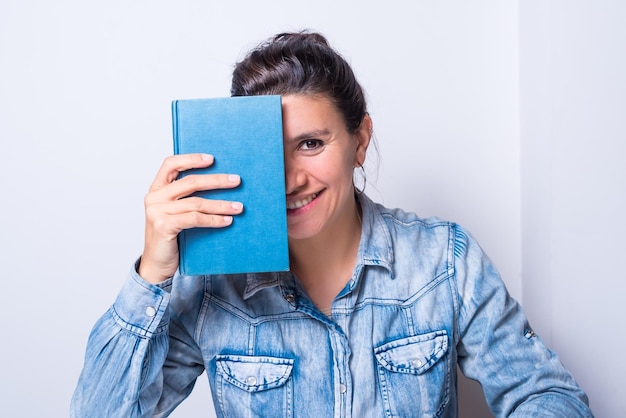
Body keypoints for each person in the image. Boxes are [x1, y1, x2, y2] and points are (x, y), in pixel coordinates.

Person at [71, 31, 593, 417]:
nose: (290, 178)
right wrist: (152, 274)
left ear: (360, 141)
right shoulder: (210, 283)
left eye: (312, 144)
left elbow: (546, 395)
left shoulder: (443, 259)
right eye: (268, 152)